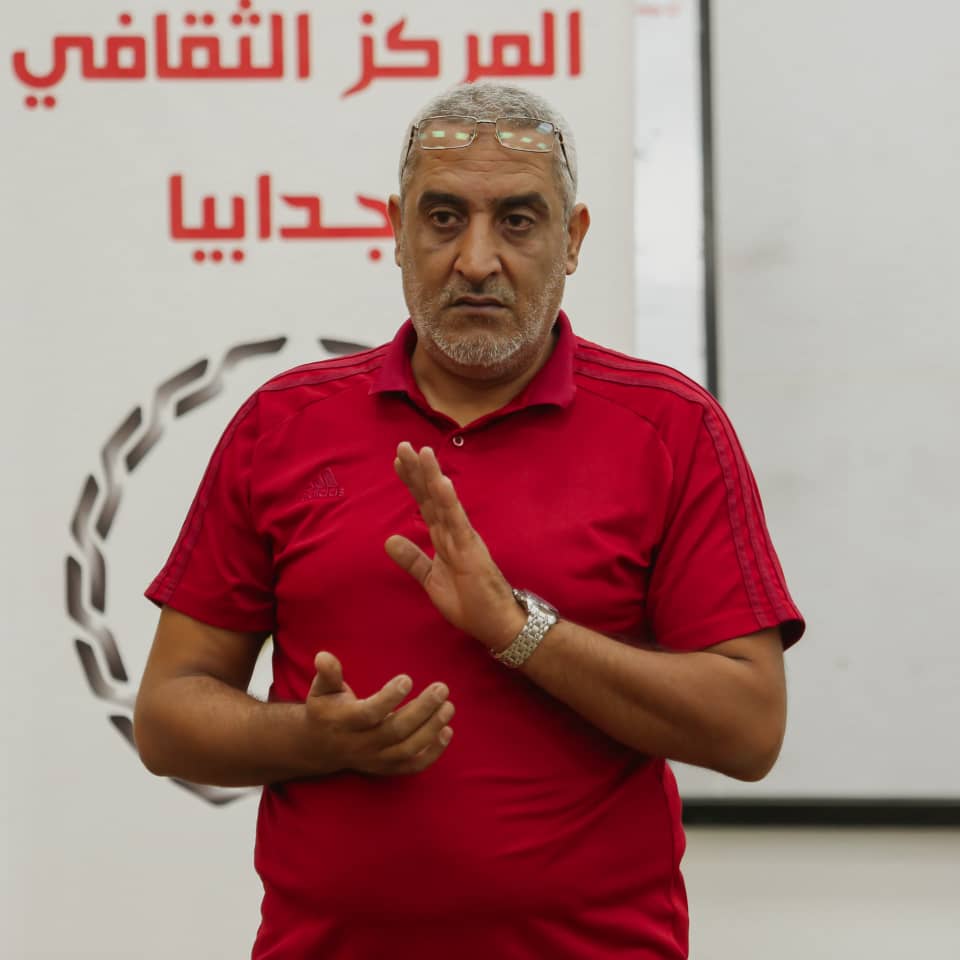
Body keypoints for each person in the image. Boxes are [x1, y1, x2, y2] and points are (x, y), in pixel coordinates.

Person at [135, 82, 804, 959]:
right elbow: (167, 715)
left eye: (518, 221)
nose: (477, 259)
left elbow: (749, 730)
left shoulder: (672, 428)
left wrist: (520, 631)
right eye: (443, 218)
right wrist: (310, 736)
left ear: (574, 240)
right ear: (397, 230)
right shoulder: (282, 424)